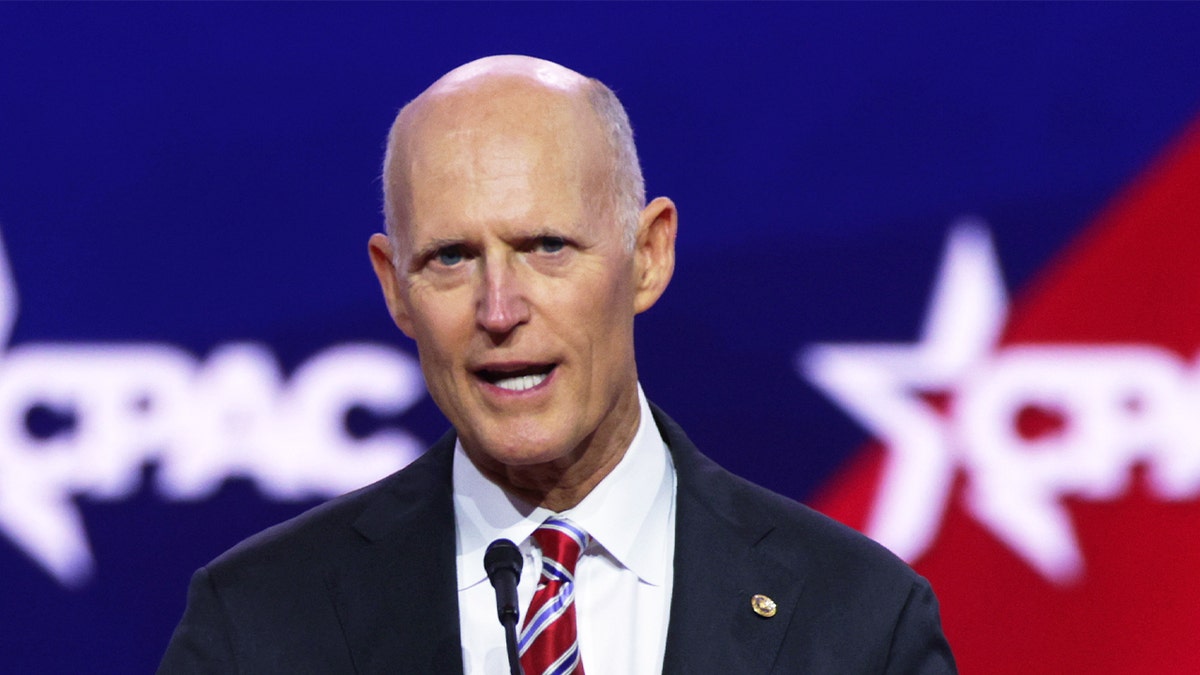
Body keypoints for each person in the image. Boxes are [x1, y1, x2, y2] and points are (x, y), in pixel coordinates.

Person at [158, 55, 956, 674]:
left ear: (648, 254)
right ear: (394, 287)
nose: (499, 309)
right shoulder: (257, 623)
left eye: (546, 246)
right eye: (449, 257)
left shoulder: (857, 620)